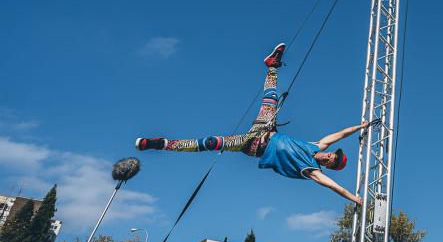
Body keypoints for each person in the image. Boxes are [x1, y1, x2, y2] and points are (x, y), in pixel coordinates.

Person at [136, 43, 374, 204]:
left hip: (252, 145)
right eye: (334, 154)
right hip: (265, 129)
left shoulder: (312, 170)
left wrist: (355, 199)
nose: (331, 156)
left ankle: (161, 144)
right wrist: (360, 127)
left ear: (329, 166)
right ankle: (272, 65)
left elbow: (333, 187)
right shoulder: (317, 146)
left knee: (210, 143)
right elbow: (339, 134)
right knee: (270, 98)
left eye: (333, 160)